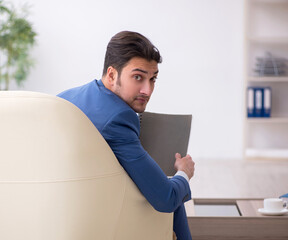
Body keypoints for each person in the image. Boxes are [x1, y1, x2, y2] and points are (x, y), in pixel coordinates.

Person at [58, 31, 195, 240]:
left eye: (153, 79)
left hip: (66, 208)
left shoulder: (65, 98)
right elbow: (165, 199)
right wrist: (184, 173)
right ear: (112, 75)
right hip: (105, 215)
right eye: (138, 77)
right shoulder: (119, 118)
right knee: (173, 191)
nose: (147, 90)